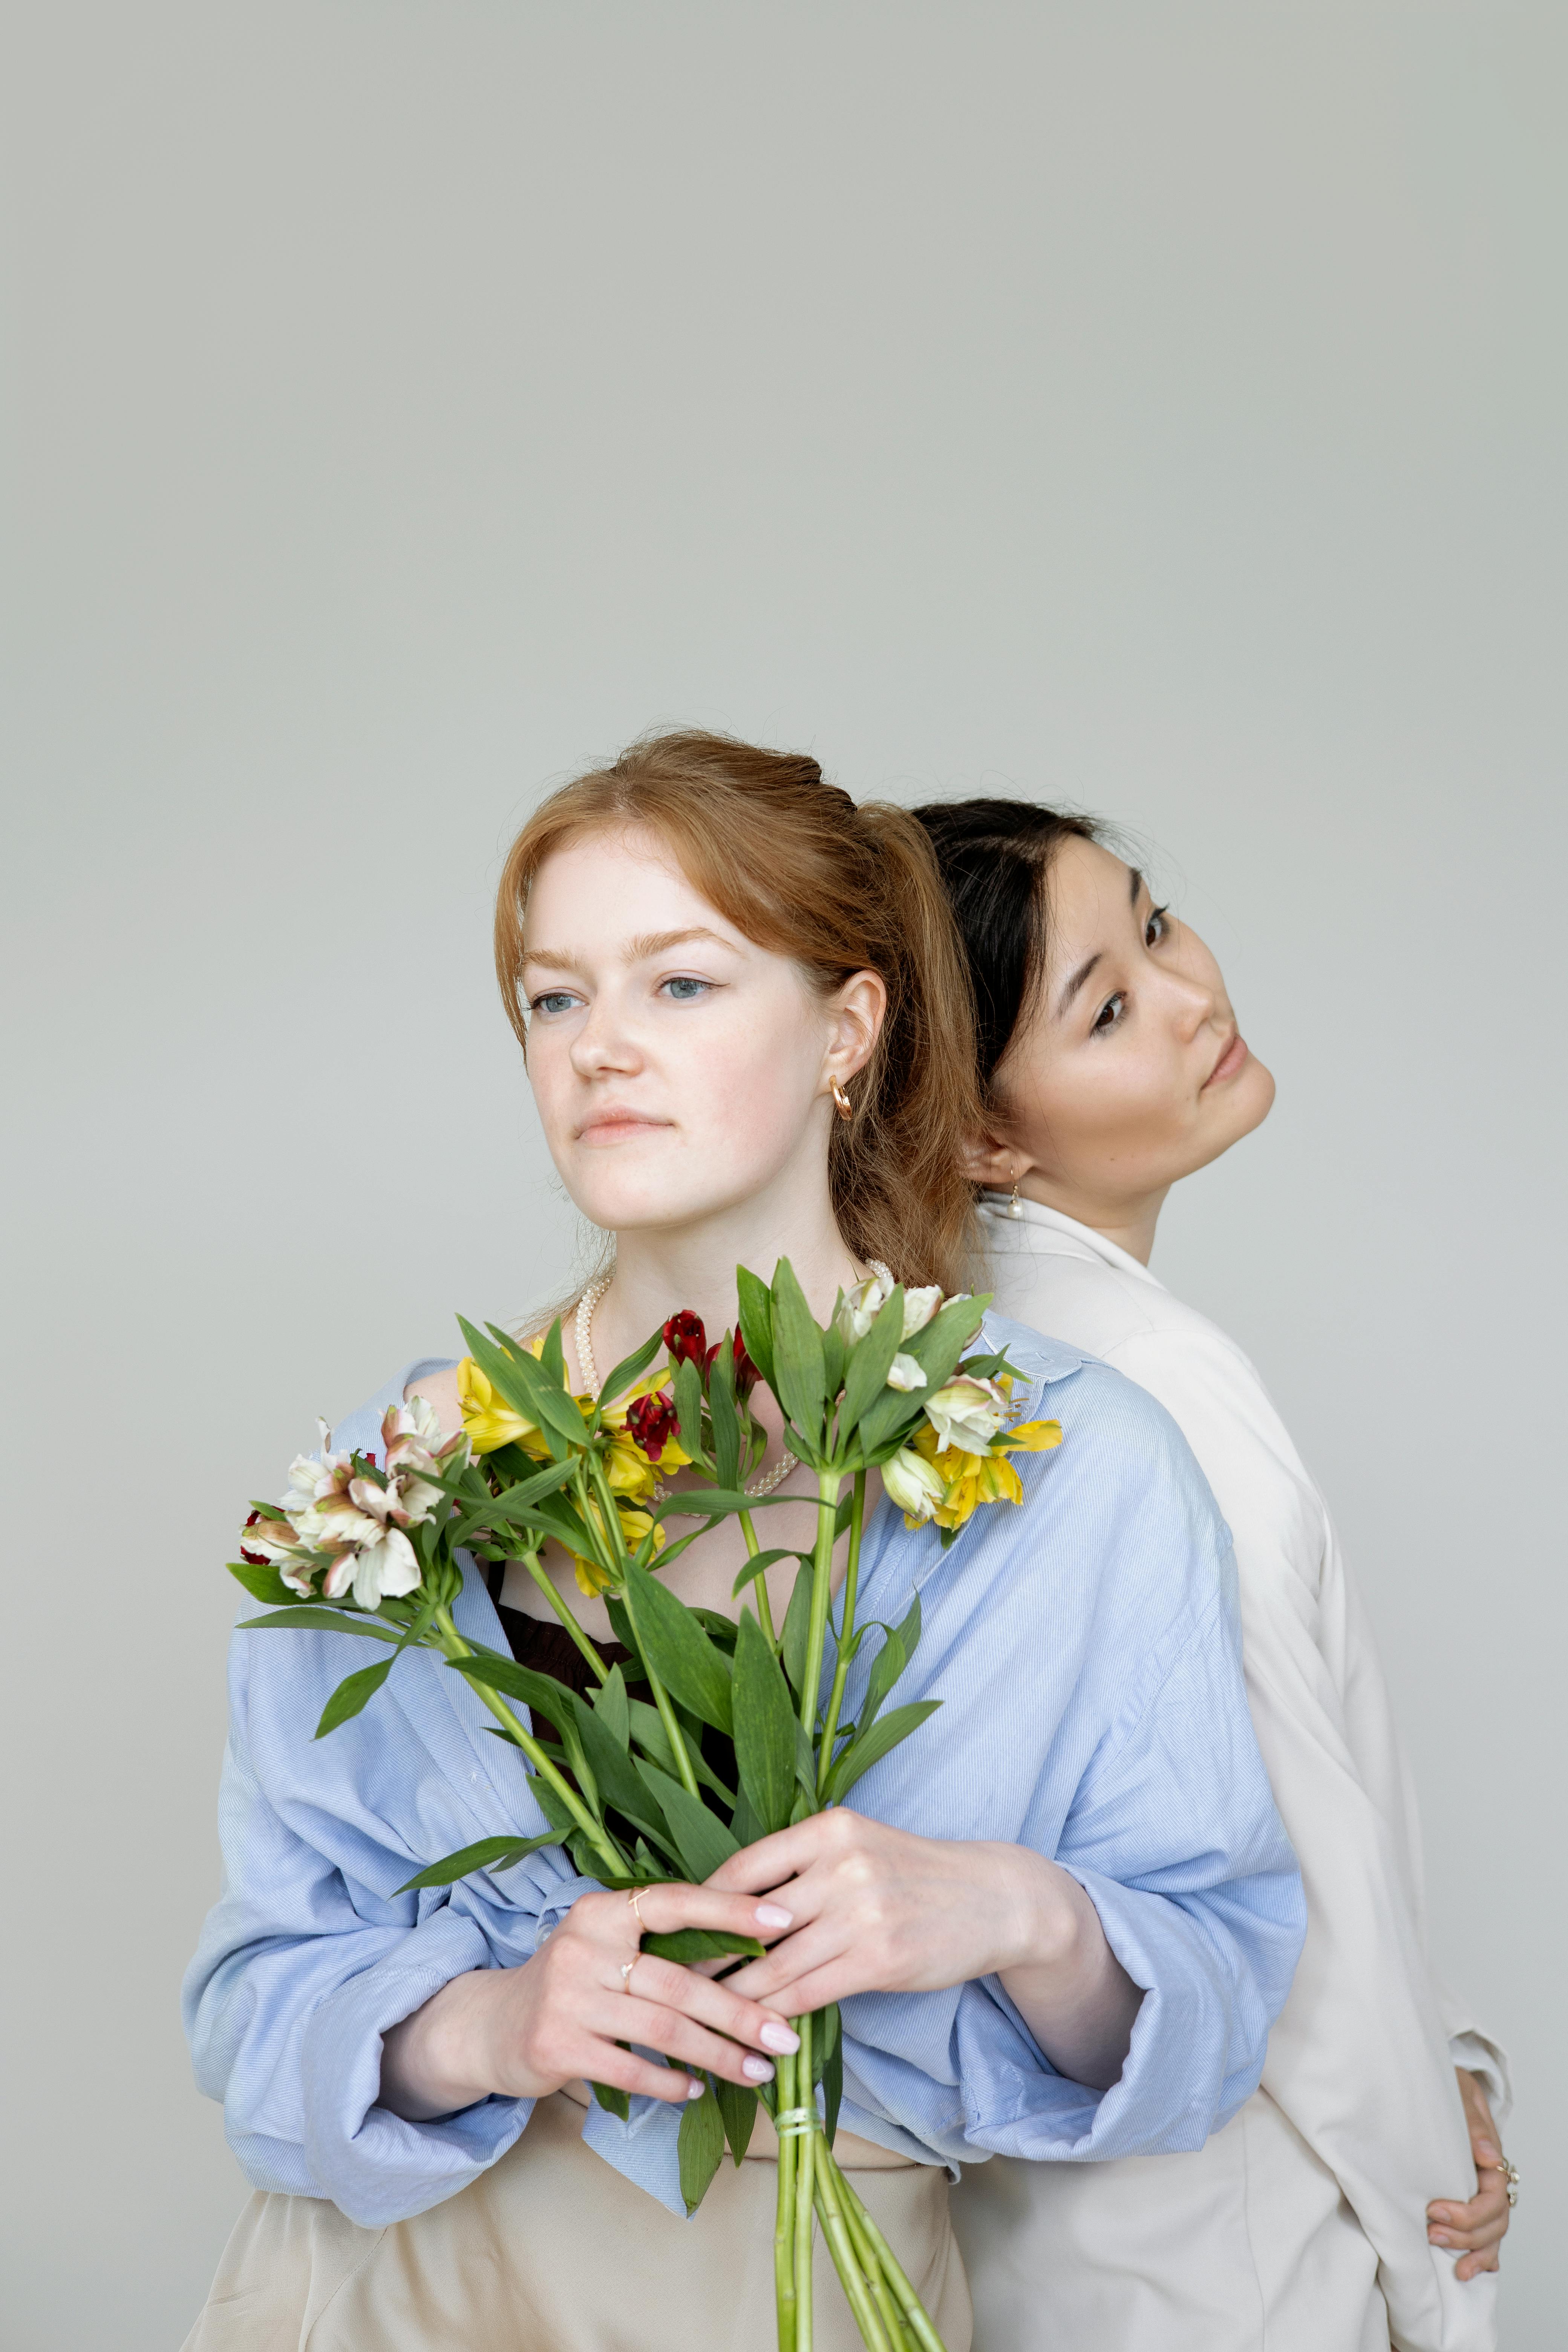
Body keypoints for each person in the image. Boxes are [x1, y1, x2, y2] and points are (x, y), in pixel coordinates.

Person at [182, 734, 1304, 2352]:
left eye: (681, 986)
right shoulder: (397, 1470)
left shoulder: (1080, 1468)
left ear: (847, 1028)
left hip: (820, 2283)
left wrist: (1017, 1913)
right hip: (394, 2292)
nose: (599, 1052)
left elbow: (1210, 2009)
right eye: (553, 1000)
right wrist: (494, 2026)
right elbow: (252, 2000)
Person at [917, 797, 1513, 2352]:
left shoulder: (934, 1377)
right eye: (1106, 1006)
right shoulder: (1152, 1390)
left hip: (1033, 2260)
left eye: (1157, 923)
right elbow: (1298, 1905)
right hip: (1245, 2260)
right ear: (982, 1133)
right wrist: (1435, 2220)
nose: (1193, 999)